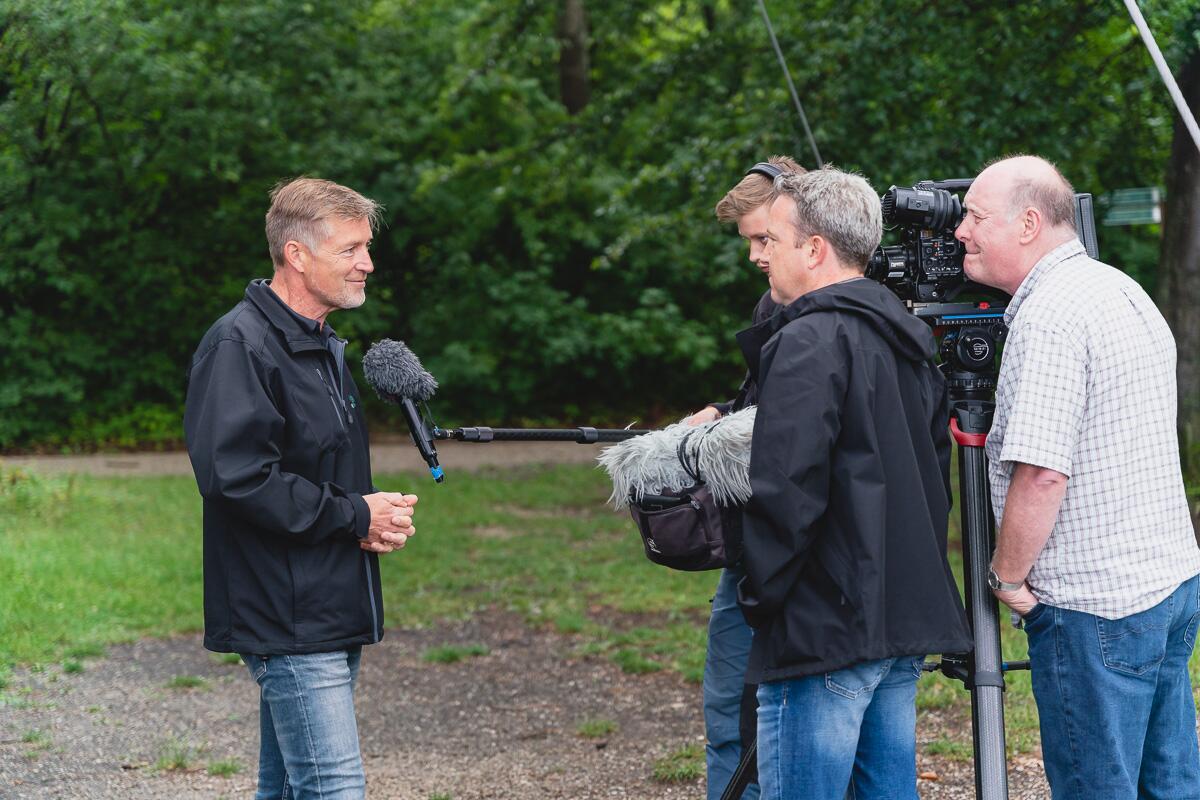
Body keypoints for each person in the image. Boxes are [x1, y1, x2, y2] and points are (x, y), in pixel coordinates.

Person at [955, 154, 1200, 799]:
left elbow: (1040, 473)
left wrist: (1006, 578)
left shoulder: (1049, 318)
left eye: (976, 217)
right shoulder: (1120, 287)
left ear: (1029, 222)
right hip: (1165, 582)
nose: (960, 232)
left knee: (1097, 786)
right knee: (1168, 782)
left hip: (1094, 606)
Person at [736, 167, 972, 800]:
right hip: (899, 617)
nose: (764, 260)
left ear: (814, 249)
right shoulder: (909, 338)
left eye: (774, 244)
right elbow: (933, 479)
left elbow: (786, 491)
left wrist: (759, 595)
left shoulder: (809, 340)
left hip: (826, 625)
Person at [184, 177, 419, 799]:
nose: (367, 263)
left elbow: (314, 471)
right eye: (350, 249)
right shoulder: (240, 345)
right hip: (286, 615)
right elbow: (237, 479)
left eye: (366, 247)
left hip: (328, 604)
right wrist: (353, 515)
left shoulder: (319, 344)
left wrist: (373, 516)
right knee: (334, 788)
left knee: (287, 789)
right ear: (296, 254)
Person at [683, 155, 802, 800]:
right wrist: (725, 418)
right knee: (729, 707)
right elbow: (768, 407)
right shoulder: (770, 305)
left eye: (765, 239)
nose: (756, 255)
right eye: (750, 242)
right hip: (750, 547)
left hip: (807, 556)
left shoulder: (852, 316)